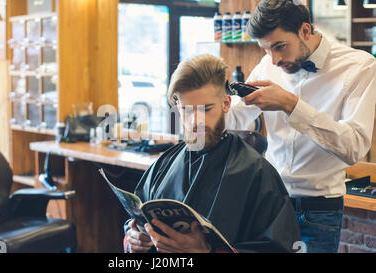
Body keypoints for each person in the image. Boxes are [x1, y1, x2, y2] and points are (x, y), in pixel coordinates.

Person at [225, 0, 376, 253]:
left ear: (305, 31)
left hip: (318, 212)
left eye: (280, 46)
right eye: (265, 49)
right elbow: (239, 117)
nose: (273, 59)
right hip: (268, 202)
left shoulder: (359, 67)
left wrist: (291, 105)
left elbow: (354, 146)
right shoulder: (268, 64)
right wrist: (208, 105)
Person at [123, 54, 301, 253]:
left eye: (206, 109)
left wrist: (208, 252)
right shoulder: (164, 164)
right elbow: (135, 221)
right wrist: (135, 240)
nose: (195, 121)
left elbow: (281, 249)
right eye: (187, 110)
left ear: (226, 104)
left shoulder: (257, 173)